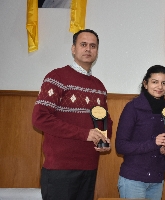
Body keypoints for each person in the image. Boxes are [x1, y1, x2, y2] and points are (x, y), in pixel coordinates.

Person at [32, 29, 112, 200]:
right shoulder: (56, 77)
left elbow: (105, 121)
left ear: (97, 51)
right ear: (73, 49)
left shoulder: (99, 86)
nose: (88, 49)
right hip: (60, 169)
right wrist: (84, 134)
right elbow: (40, 118)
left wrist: (105, 138)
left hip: (89, 166)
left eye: (93, 46)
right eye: (83, 44)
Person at [115, 65, 165, 200]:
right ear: (145, 83)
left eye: (164, 83)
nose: (159, 87)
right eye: (155, 82)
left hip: (157, 180)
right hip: (133, 180)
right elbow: (121, 146)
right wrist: (154, 143)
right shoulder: (132, 107)